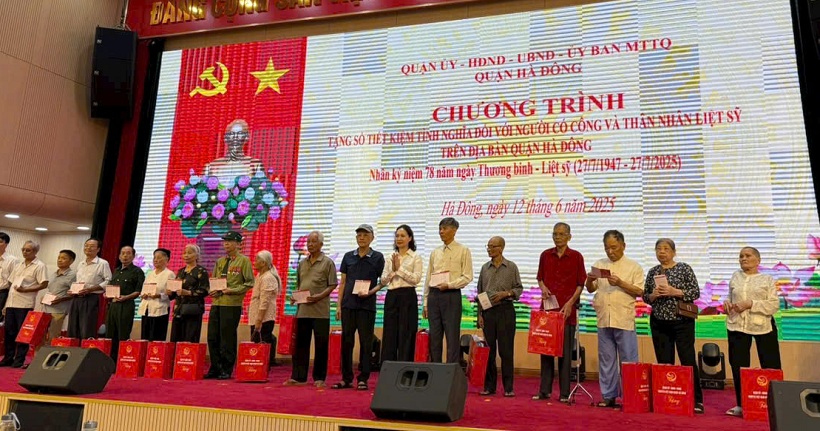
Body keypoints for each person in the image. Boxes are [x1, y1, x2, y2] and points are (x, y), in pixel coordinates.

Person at [585, 230, 645, 408]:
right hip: (604, 317)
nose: (610, 251)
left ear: (623, 246)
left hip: (623, 318)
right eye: (607, 248)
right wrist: (589, 280)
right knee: (606, 359)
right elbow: (591, 288)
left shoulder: (634, 266)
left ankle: (630, 397)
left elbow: (640, 291)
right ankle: (608, 396)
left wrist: (620, 283)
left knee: (628, 360)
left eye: (614, 247)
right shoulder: (599, 264)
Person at [643, 238, 704, 414]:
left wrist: (674, 291)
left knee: (687, 360)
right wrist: (653, 295)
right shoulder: (653, 271)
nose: (662, 252)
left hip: (682, 321)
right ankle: (666, 397)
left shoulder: (684, 268)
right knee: (664, 361)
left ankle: (696, 400)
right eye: (658, 249)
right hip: (659, 321)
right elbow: (646, 297)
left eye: (666, 249)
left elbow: (695, 292)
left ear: (674, 252)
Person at [723, 246, 781, 417]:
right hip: (737, 325)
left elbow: (774, 305)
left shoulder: (767, 279)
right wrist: (727, 303)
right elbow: (730, 296)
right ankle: (742, 404)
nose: (743, 258)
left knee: (771, 366)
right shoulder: (735, 276)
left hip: (763, 326)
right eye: (741, 256)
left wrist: (751, 304)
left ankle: (776, 404)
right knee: (738, 366)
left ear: (758, 260)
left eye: (748, 255)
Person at [533, 222, 586, 402]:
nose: (558, 237)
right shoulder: (545, 255)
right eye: (555, 234)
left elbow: (580, 283)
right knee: (546, 351)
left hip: (566, 311)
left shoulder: (576, 256)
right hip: (548, 312)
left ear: (569, 236)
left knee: (565, 353)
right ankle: (544, 391)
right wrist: (543, 288)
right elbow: (540, 278)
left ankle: (564, 393)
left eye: (562, 234)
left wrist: (571, 302)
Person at [332, 224, 385, 391]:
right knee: (347, 342)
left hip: (366, 306)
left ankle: (363, 378)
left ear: (372, 237)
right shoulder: (348, 256)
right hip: (348, 305)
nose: (361, 238)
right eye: (359, 235)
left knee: (366, 342)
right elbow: (343, 282)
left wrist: (370, 292)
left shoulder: (378, 257)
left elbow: (383, 281)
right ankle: (346, 378)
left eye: (365, 235)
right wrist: (338, 305)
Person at [284, 231, 338, 388]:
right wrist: (295, 297)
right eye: (308, 242)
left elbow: (332, 284)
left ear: (321, 244)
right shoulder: (302, 263)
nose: (310, 244)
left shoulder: (327, 262)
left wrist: (319, 296)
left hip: (320, 312)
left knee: (321, 346)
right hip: (303, 311)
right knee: (300, 345)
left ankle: (319, 378)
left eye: (314, 241)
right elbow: (300, 285)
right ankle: (298, 377)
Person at [476, 236, 523, 397]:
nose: (489, 249)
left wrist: (506, 293)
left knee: (506, 351)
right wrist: (479, 314)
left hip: (506, 311)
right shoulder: (484, 268)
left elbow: (519, 289)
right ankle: (489, 386)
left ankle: (508, 387)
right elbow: (480, 292)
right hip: (488, 312)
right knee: (489, 351)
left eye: (493, 246)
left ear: (501, 248)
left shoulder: (511, 267)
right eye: (488, 246)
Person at [423, 217, 473, 363]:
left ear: (454, 230)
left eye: (444, 228)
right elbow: (428, 277)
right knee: (435, 336)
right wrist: (425, 302)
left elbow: (467, 276)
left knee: (452, 335)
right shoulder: (435, 252)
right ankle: (435, 368)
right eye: (440, 229)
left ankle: (450, 370)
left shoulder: (463, 250)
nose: (441, 231)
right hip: (434, 295)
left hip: (451, 294)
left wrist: (450, 285)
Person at [207, 231, 254, 380]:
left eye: (230, 241)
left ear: (238, 244)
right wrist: (211, 290)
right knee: (212, 336)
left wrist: (232, 290)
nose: (226, 243)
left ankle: (226, 369)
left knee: (227, 337)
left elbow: (249, 283)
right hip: (217, 303)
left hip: (231, 304)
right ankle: (215, 367)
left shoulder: (244, 261)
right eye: (225, 241)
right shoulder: (220, 261)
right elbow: (214, 280)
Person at [0, 241, 48, 368]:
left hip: (25, 304)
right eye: (23, 250)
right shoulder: (19, 264)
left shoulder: (39, 265)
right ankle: (8, 358)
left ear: (35, 251)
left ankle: (19, 359)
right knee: (9, 332)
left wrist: (26, 290)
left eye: (28, 250)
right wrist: (5, 304)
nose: (25, 252)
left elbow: (44, 284)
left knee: (23, 333)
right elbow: (11, 283)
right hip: (11, 302)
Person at [379, 224, 423, 363]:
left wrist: (399, 269)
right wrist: (393, 270)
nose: (399, 238)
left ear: (410, 238)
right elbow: (383, 280)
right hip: (392, 296)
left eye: (403, 236)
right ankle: (388, 368)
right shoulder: (390, 257)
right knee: (390, 333)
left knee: (407, 333)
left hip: (408, 296)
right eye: (397, 236)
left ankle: (405, 369)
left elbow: (416, 279)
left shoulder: (415, 257)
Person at [67, 238, 112, 339]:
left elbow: (108, 281)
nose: (88, 248)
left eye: (92, 246)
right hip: (76, 298)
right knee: (73, 327)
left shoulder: (103, 263)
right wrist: (73, 290)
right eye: (86, 245)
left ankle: (86, 347)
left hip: (91, 298)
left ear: (98, 249)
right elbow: (78, 281)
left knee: (86, 327)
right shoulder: (81, 263)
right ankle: (73, 347)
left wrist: (90, 289)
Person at [106, 246, 145, 360]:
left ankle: (121, 361)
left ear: (133, 256)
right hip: (113, 306)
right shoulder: (116, 271)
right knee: (110, 334)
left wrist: (126, 297)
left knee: (122, 334)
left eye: (128, 253)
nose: (125, 256)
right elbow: (111, 287)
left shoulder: (137, 271)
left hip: (126, 305)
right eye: (122, 253)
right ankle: (110, 361)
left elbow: (138, 291)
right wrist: (106, 294)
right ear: (119, 256)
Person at [204, 119, 264, 188]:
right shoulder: (212, 166)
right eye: (232, 133)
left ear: (246, 137)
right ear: (226, 138)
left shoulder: (255, 165)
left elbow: (261, 189)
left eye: (240, 133)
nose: (235, 137)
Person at [168, 244, 209, 343]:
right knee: (176, 338)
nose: (186, 255)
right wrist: (170, 292)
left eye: (189, 253)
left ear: (197, 255)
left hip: (193, 309)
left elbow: (205, 290)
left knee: (190, 338)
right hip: (178, 308)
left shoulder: (201, 271)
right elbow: (175, 291)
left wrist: (188, 292)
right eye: (184, 253)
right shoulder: (181, 271)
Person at [248, 250, 281, 368]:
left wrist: (259, 319)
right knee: (256, 342)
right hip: (257, 314)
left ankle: (263, 367)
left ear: (263, 263)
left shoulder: (268, 277)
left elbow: (264, 301)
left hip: (264, 317)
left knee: (263, 342)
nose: (254, 262)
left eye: (257, 260)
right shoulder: (260, 275)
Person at [37, 250, 77, 342]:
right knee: (40, 336)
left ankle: (51, 352)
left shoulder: (73, 275)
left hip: (59, 310)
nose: (59, 260)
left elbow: (75, 293)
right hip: (46, 309)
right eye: (59, 258)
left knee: (53, 336)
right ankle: (40, 352)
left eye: (63, 258)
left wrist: (61, 299)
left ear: (71, 261)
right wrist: (44, 298)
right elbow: (52, 290)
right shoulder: (54, 273)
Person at [138, 248, 175, 341]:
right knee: (145, 336)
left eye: (159, 257)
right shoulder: (150, 274)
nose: (156, 260)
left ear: (166, 259)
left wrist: (159, 295)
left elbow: (171, 294)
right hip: (147, 308)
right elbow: (143, 289)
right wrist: (143, 295)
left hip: (161, 309)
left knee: (157, 337)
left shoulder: (170, 274)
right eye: (154, 257)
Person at [0, 232, 20, 324]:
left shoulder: (13, 260)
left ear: (6, 244)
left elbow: (14, 281)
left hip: (3, 293)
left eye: (0, 242)